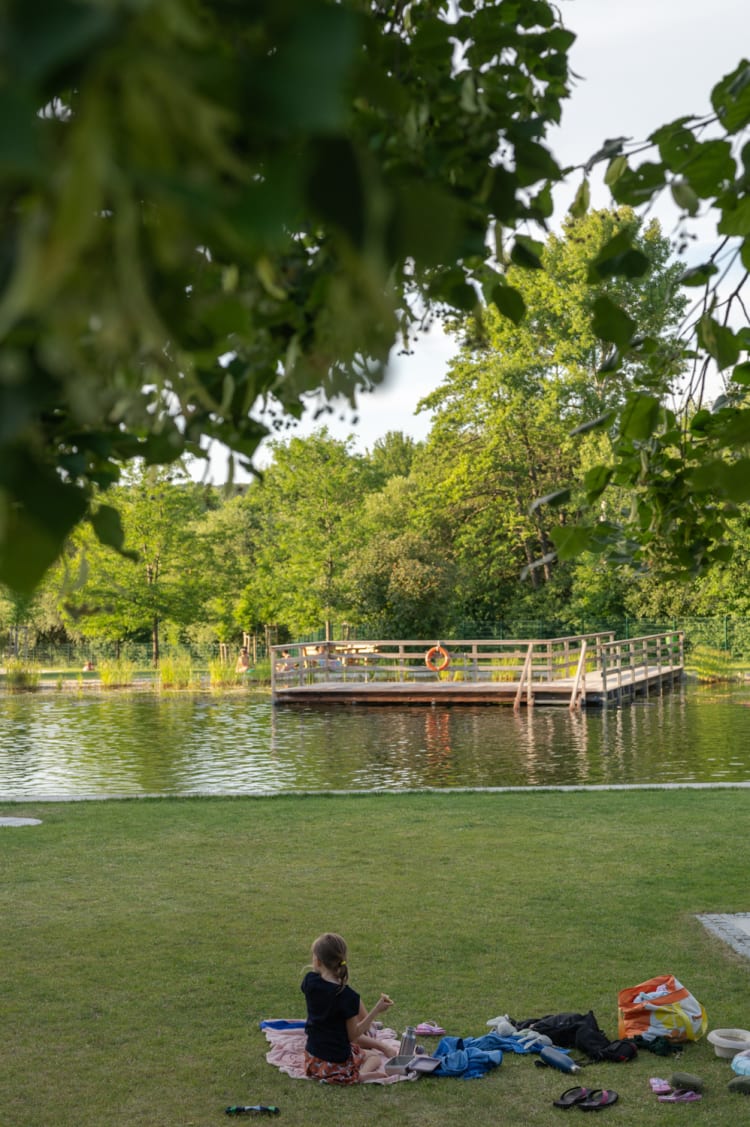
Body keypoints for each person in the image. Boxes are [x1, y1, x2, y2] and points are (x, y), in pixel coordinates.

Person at [301, 932, 397, 1083]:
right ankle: (358, 1076)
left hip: (312, 1061)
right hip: (337, 1065)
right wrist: (376, 1010)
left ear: (318, 961)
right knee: (374, 1057)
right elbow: (353, 1036)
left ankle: (354, 1073)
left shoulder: (309, 982)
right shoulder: (347, 996)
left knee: (362, 1050)